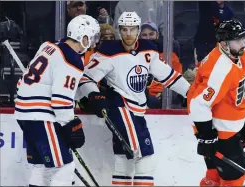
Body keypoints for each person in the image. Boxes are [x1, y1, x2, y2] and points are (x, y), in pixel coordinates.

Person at [78, 11, 190, 186]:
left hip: (137, 110)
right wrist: (94, 95)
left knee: (124, 160)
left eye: (132, 29)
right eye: (124, 29)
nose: (128, 34)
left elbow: (167, 75)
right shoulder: (108, 51)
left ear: (138, 29)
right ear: (119, 30)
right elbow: (85, 78)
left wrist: (189, 93)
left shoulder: (148, 49)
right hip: (120, 107)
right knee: (144, 156)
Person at [14, 15, 100, 186]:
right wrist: (69, 124)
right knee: (64, 168)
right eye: (92, 38)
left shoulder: (49, 46)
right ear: (82, 37)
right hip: (42, 117)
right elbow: (61, 100)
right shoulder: (71, 59)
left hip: (24, 113)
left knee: (42, 167)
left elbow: (20, 84)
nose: (94, 43)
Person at [187, 19, 245, 186]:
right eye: (238, 40)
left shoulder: (240, 54)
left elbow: (240, 84)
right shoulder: (220, 69)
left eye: (243, 38)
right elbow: (198, 104)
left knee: (214, 176)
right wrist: (207, 137)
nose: (243, 43)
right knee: (235, 179)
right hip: (219, 131)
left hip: (228, 126)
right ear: (225, 44)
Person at [139, 21, 182, 108]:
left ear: (157, 35)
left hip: (163, 96)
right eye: (144, 35)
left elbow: (177, 79)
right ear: (139, 37)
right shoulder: (134, 56)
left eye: (151, 34)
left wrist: (163, 94)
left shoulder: (170, 56)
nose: (148, 38)